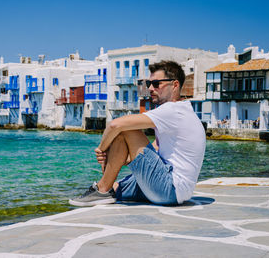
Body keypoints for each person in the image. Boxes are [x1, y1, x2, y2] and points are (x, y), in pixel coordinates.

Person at [69, 60, 206, 206]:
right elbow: (151, 151)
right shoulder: (182, 111)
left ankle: (101, 189)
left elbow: (115, 125)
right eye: (149, 84)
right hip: (174, 190)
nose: (151, 89)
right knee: (115, 188)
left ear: (175, 85)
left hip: (169, 188)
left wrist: (101, 149)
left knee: (127, 130)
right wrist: (117, 157)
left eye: (156, 84)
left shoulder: (173, 110)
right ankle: (104, 190)